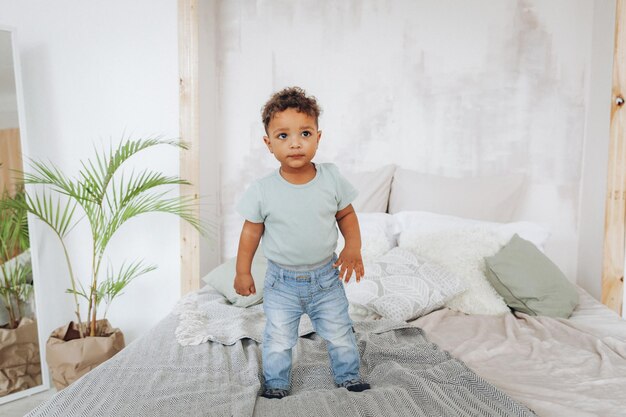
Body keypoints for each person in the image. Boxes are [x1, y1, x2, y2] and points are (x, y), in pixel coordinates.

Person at [234, 86, 371, 399]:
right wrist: (243, 271)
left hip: (326, 278)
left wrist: (353, 247)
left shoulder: (331, 178)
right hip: (281, 283)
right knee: (279, 336)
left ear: (318, 138)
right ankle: (277, 384)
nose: (295, 143)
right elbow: (250, 233)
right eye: (283, 136)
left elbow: (347, 215)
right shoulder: (262, 190)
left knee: (339, 332)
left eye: (305, 133)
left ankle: (349, 378)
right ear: (268, 144)